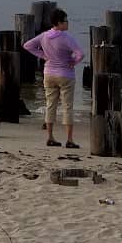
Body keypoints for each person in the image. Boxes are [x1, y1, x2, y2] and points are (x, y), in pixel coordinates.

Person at [24, 9, 84, 148]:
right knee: (67, 107)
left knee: (50, 105)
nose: (68, 23)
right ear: (59, 23)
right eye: (66, 21)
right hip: (65, 75)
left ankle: (50, 137)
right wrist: (73, 62)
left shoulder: (44, 36)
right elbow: (80, 54)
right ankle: (69, 140)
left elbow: (27, 45)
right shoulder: (66, 37)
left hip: (49, 73)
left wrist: (43, 55)